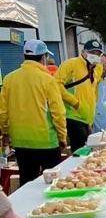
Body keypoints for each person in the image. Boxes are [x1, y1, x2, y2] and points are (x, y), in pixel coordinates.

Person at [0, 39, 67, 184]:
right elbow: (58, 112)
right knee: (53, 184)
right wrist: (62, 137)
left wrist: (5, 133)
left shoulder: (9, 79)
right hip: (46, 141)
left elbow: (3, 112)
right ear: (43, 58)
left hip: (20, 142)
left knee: (27, 182)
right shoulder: (47, 80)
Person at [55, 38, 102, 150]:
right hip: (73, 116)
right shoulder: (71, 64)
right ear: (83, 52)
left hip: (87, 118)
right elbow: (56, 85)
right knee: (80, 151)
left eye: (98, 53)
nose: (95, 55)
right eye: (92, 52)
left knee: (87, 151)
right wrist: (74, 102)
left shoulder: (94, 70)